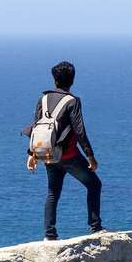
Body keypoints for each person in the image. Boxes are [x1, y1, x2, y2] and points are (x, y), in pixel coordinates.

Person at [25, 61, 101, 240]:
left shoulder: (42, 99)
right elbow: (79, 131)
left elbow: (37, 127)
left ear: (54, 80)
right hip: (69, 156)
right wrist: (90, 157)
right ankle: (95, 227)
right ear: (72, 80)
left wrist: (31, 155)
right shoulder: (72, 101)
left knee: (53, 193)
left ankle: (49, 234)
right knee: (94, 184)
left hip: (48, 155)